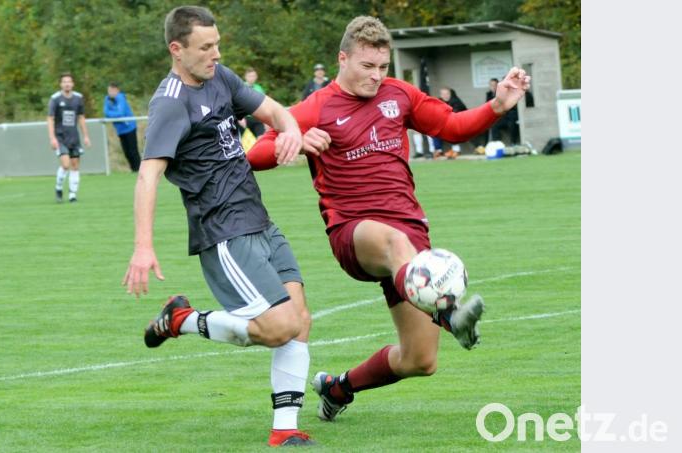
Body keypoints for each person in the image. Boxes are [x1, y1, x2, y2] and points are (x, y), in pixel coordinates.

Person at [247, 16, 530, 422]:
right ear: (342, 59)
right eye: (367, 66)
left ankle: (338, 388)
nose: (377, 77)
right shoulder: (318, 106)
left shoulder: (399, 94)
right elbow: (256, 154)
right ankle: (451, 315)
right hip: (354, 231)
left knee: (420, 360)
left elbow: (449, 126)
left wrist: (497, 105)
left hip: (411, 242)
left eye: (383, 67)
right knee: (394, 242)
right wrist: (297, 139)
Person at [121, 6, 315, 447]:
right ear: (177, 49)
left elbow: (274, 111)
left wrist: (288, 130)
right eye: (205, 47)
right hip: (223, 230)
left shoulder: (220, 77)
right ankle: (183, 321)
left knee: (299, 319)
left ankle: (284, 430)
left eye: (217, 44)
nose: (216, 53)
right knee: (279, 325)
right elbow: (148, 175)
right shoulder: (170, 103)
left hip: (258, 218)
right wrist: (143, 246)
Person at [47, 72, 91, 203]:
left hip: (74, 137)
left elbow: (81, 118)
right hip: (60, 137)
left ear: (72, 83)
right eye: (64, 82)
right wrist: (52, 138)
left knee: (75, 165)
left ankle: (72, 195)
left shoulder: (78, 98)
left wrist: (86, 136)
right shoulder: (55, 99)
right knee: (65, 164)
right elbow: (50, 118)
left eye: (69, 81)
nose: (67, 84)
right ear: (61, 84)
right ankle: (59, 188)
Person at [104, 82, 140, 172]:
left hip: (129, 127)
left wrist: (111, 114)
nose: (110, 92)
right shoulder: (107, 99)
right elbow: (106, 113)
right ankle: (133, 169)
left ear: (117, 90)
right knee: (126, 152)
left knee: (133, 151)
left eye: (112, 90)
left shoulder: (120, 97)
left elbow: (121, 113)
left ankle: (138, 169)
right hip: (120, 130)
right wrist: (113, 115)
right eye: (109, 91)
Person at [438, 87, 468, 159]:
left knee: (451, 127)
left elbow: (454, 116)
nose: (445, 95)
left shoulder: (455, 101)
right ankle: (438, 150)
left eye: (447, 93)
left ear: (450, 94)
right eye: (443, 94)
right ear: (441, 95)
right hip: (448, 124)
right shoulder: (439, 102)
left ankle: (456, 150)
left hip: (464, 122)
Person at [239, 67, 266, 138]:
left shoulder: (259, 88)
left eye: (253, 76)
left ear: (256, 77)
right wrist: (239, 118)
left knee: (261, 138)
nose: (252, 78)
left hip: (256, 117)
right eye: (250, 76)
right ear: (246, 77)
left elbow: (263, 104)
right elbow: (235, 103)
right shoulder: (240, 87)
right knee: (236, 141)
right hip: (244, 117)